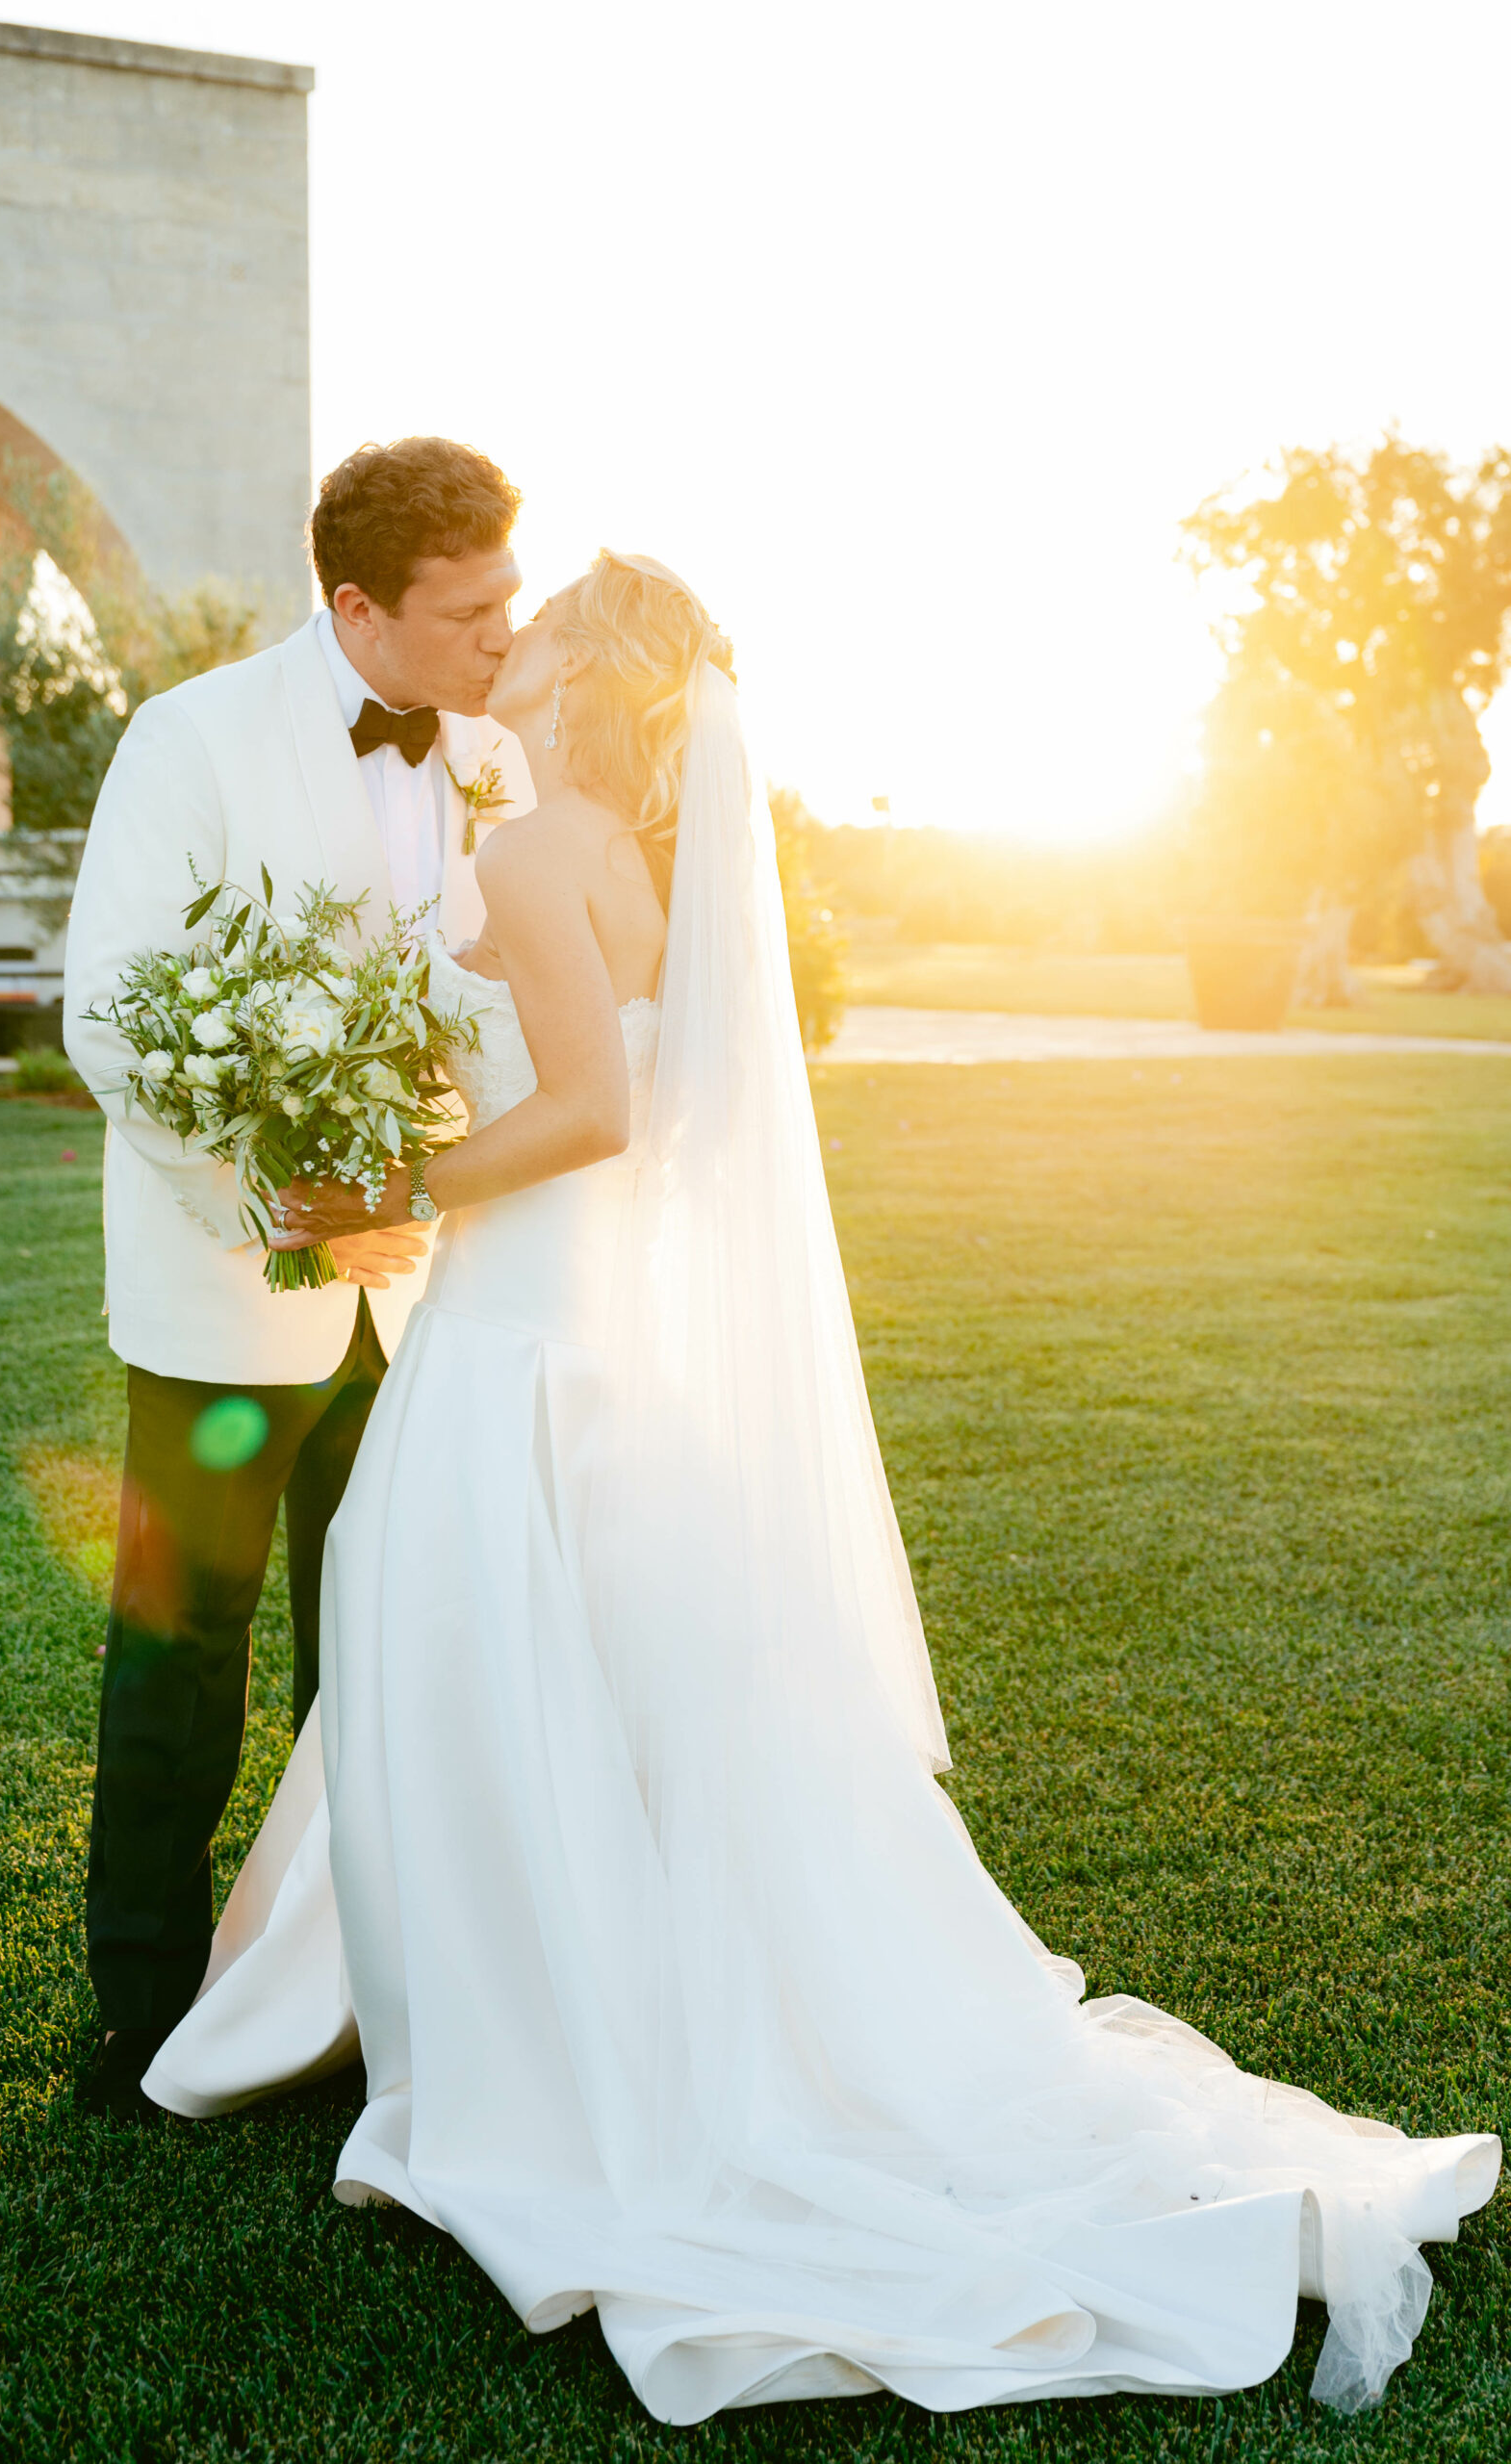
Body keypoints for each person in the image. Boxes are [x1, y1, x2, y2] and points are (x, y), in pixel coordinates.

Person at [144, 553, 1498, 2424]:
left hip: (522, 1350)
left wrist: (389, 1188)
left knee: (483, 1669)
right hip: (587, 1343)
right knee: (576, 1697)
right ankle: (554, 2008)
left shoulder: (544, 851)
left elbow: (595, 1117)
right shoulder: (633, 851)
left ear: (581, 672)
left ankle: (532, 2060)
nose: (512, 637)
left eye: (537, 626)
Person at [62, 437, 532, 2122]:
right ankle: (145, 2016)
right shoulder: (187, 739)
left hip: (426, 1300)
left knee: (383, 1663)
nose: (503, 639)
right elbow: (112, 1011)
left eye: (510, 602)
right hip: (222, 1299)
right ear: (356, 605)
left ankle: (355, 2006)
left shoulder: (498, 755)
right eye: (470, 612)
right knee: (183, 1657)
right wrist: (284, 1193)